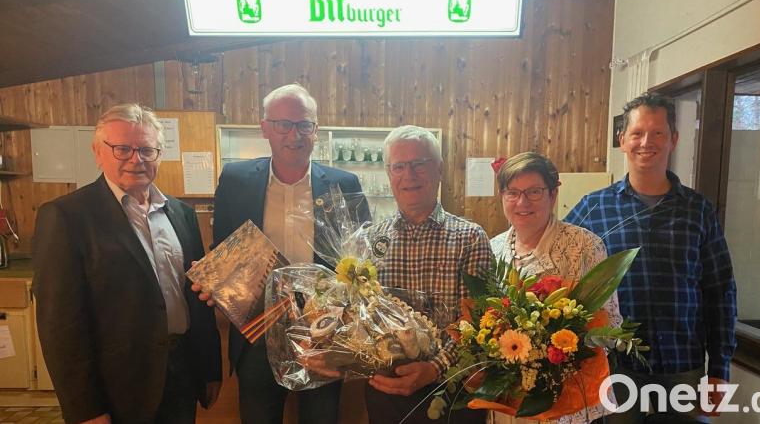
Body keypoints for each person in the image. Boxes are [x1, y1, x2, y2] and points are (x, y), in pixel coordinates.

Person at [32, 104, 222, 424]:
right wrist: (84, 407)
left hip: (181, 375)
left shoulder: (182, 214)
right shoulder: (67, 217)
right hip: (116, 388)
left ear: (160, 154)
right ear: (98, 152)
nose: (137, 159)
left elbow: (194, 297)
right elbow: (60, 325)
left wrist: (209, 368)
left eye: (147, 149)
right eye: (123, 149)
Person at [198, 83, 369, 424]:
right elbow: (223, 248)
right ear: (266, 128)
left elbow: (360, 260)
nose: (294, 135)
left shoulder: (343, 183)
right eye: (283, 125)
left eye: (304, 125)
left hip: (322, 332)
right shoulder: (236, 179)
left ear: (316, 130)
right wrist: (213, 275)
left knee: (321, 419)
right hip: (257, 329)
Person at [565, 93, 737, 423]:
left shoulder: (697, 210)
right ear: (622, 141)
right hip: (615, 367)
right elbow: (563, 274)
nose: (647, 142)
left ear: (673, 139)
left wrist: (719, 369)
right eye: (638, 133)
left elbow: (720, 291)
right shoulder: (593, 208)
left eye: (658, 133)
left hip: (682, 364)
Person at [364, 125, 493, 424]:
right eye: (399, 166)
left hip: (452, 390)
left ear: (439, 169)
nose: (409, 175)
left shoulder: (471, 238)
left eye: (419, 164)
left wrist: (434, 367)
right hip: (386, 389)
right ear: (388, 173)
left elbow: (479, 320)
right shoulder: (370, 242)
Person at [488, 152, 621, 424]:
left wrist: (557, 351)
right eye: (512, 192)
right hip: (507, 400)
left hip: (568, 402)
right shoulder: (493, 248)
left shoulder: (584, 246)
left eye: (534, 192)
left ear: (553, 194)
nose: (522, 202)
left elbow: (610, 325)